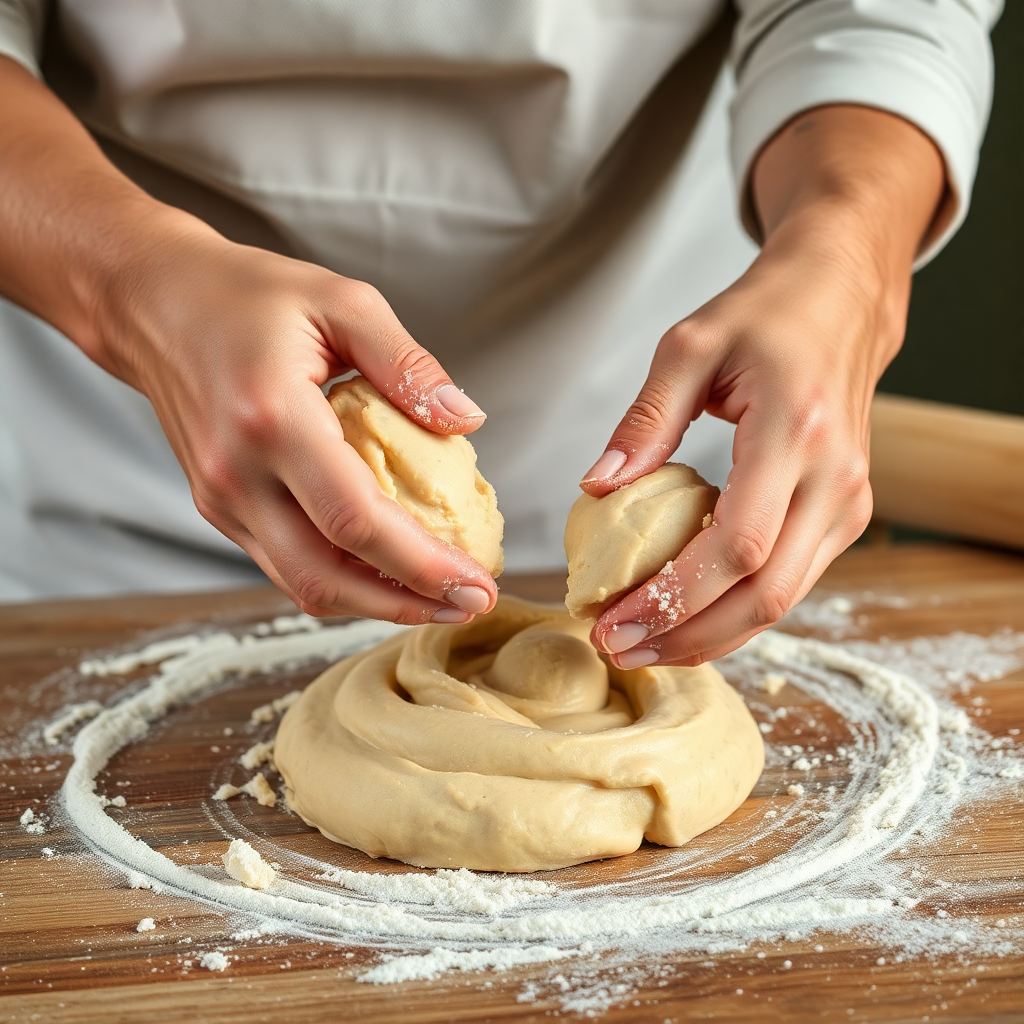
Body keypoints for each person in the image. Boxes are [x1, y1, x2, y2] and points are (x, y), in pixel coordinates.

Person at [0, 1, 1001, 669]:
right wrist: (129, 283)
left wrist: (844, 259)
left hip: (660, 496)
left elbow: (870, 14)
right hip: (110, 516)